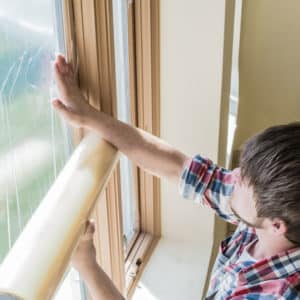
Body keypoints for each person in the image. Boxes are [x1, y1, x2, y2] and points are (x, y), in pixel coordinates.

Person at [52, 54, 300, 300]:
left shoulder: (276, 295)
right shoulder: (268, 216)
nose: (233, 175)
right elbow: (176, 166)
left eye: (244, 182)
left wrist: (86, 263)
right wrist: (88, 116)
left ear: (276, 226)